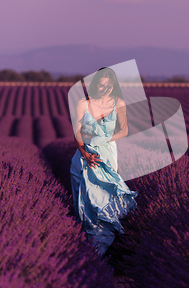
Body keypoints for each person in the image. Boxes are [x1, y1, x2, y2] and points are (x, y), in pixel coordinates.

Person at [70, 67, 138, 258]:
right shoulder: (83, 103)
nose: (104, 89)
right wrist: (84, 153)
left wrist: (105, 140)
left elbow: (124, 130)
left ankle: (101, 251)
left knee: (105, 199)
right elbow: (77, 132)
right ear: (95, 84)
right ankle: (90, 251)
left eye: (108, 86)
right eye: (101, 85)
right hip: (85, 158)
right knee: (87, 203)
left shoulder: (119, 103)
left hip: (107, 156)